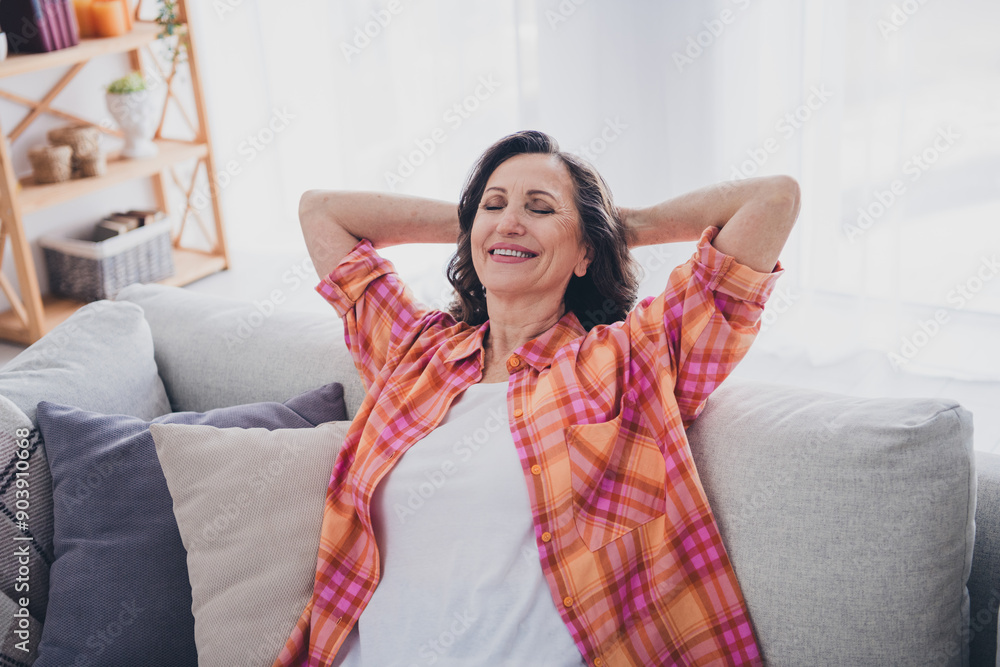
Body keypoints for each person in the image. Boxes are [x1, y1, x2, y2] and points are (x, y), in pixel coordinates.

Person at [274, 130, 799, 667]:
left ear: (585, 253)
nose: (509, 219)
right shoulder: (414, 353)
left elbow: (772, 199)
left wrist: (617, 229)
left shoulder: (630, 359)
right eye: (493, 203)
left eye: (541, 207)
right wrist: (491, 228)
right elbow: (321, 212)